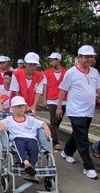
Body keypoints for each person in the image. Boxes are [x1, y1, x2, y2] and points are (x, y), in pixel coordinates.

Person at [56, 45, 100, 179]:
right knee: (82, 138)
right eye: (86, 57)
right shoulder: (71, 72)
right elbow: (62, 90)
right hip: (75, 111)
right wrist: (59, 107)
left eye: (91, 57)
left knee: (78, 134)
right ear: (79, 57)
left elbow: (98, 90)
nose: (89, 59)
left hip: (89, 111)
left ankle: (67, 152)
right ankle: (89, 167)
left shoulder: (94, 72)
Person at [0, 96, 51, 183]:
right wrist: (0, 123)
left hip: (31, 138)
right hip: (18, 138)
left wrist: (46, 127)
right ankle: (26, 164)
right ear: (12, 108)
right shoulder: (9, 119)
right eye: (18, 106)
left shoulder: (30, 119)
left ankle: (30, 169)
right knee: (19, 144)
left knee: (34, 147)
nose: (21, 108)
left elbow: (42, 123)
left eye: (23, 106)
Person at [43, 52, 67, 151]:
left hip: (64, 100)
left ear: (58, 61)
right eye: (50, 60)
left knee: (58, 120)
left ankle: (48, 133)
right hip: (51, 99)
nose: (51, 61)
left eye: (53, 60)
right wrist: (44, 99)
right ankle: (55, 142)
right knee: (53, 120)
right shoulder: (47, 73)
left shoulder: (66, 72)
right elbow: (45, 86)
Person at [10, 52, 44, 116]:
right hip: (17, 105)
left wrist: (34, 106)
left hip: (31, 105)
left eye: (35, 65)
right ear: (25, 64)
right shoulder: (16, 74)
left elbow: (38, 92)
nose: (33, 67)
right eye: (30, 64)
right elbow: (16, 92)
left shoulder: (40, 76)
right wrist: (24, 105)